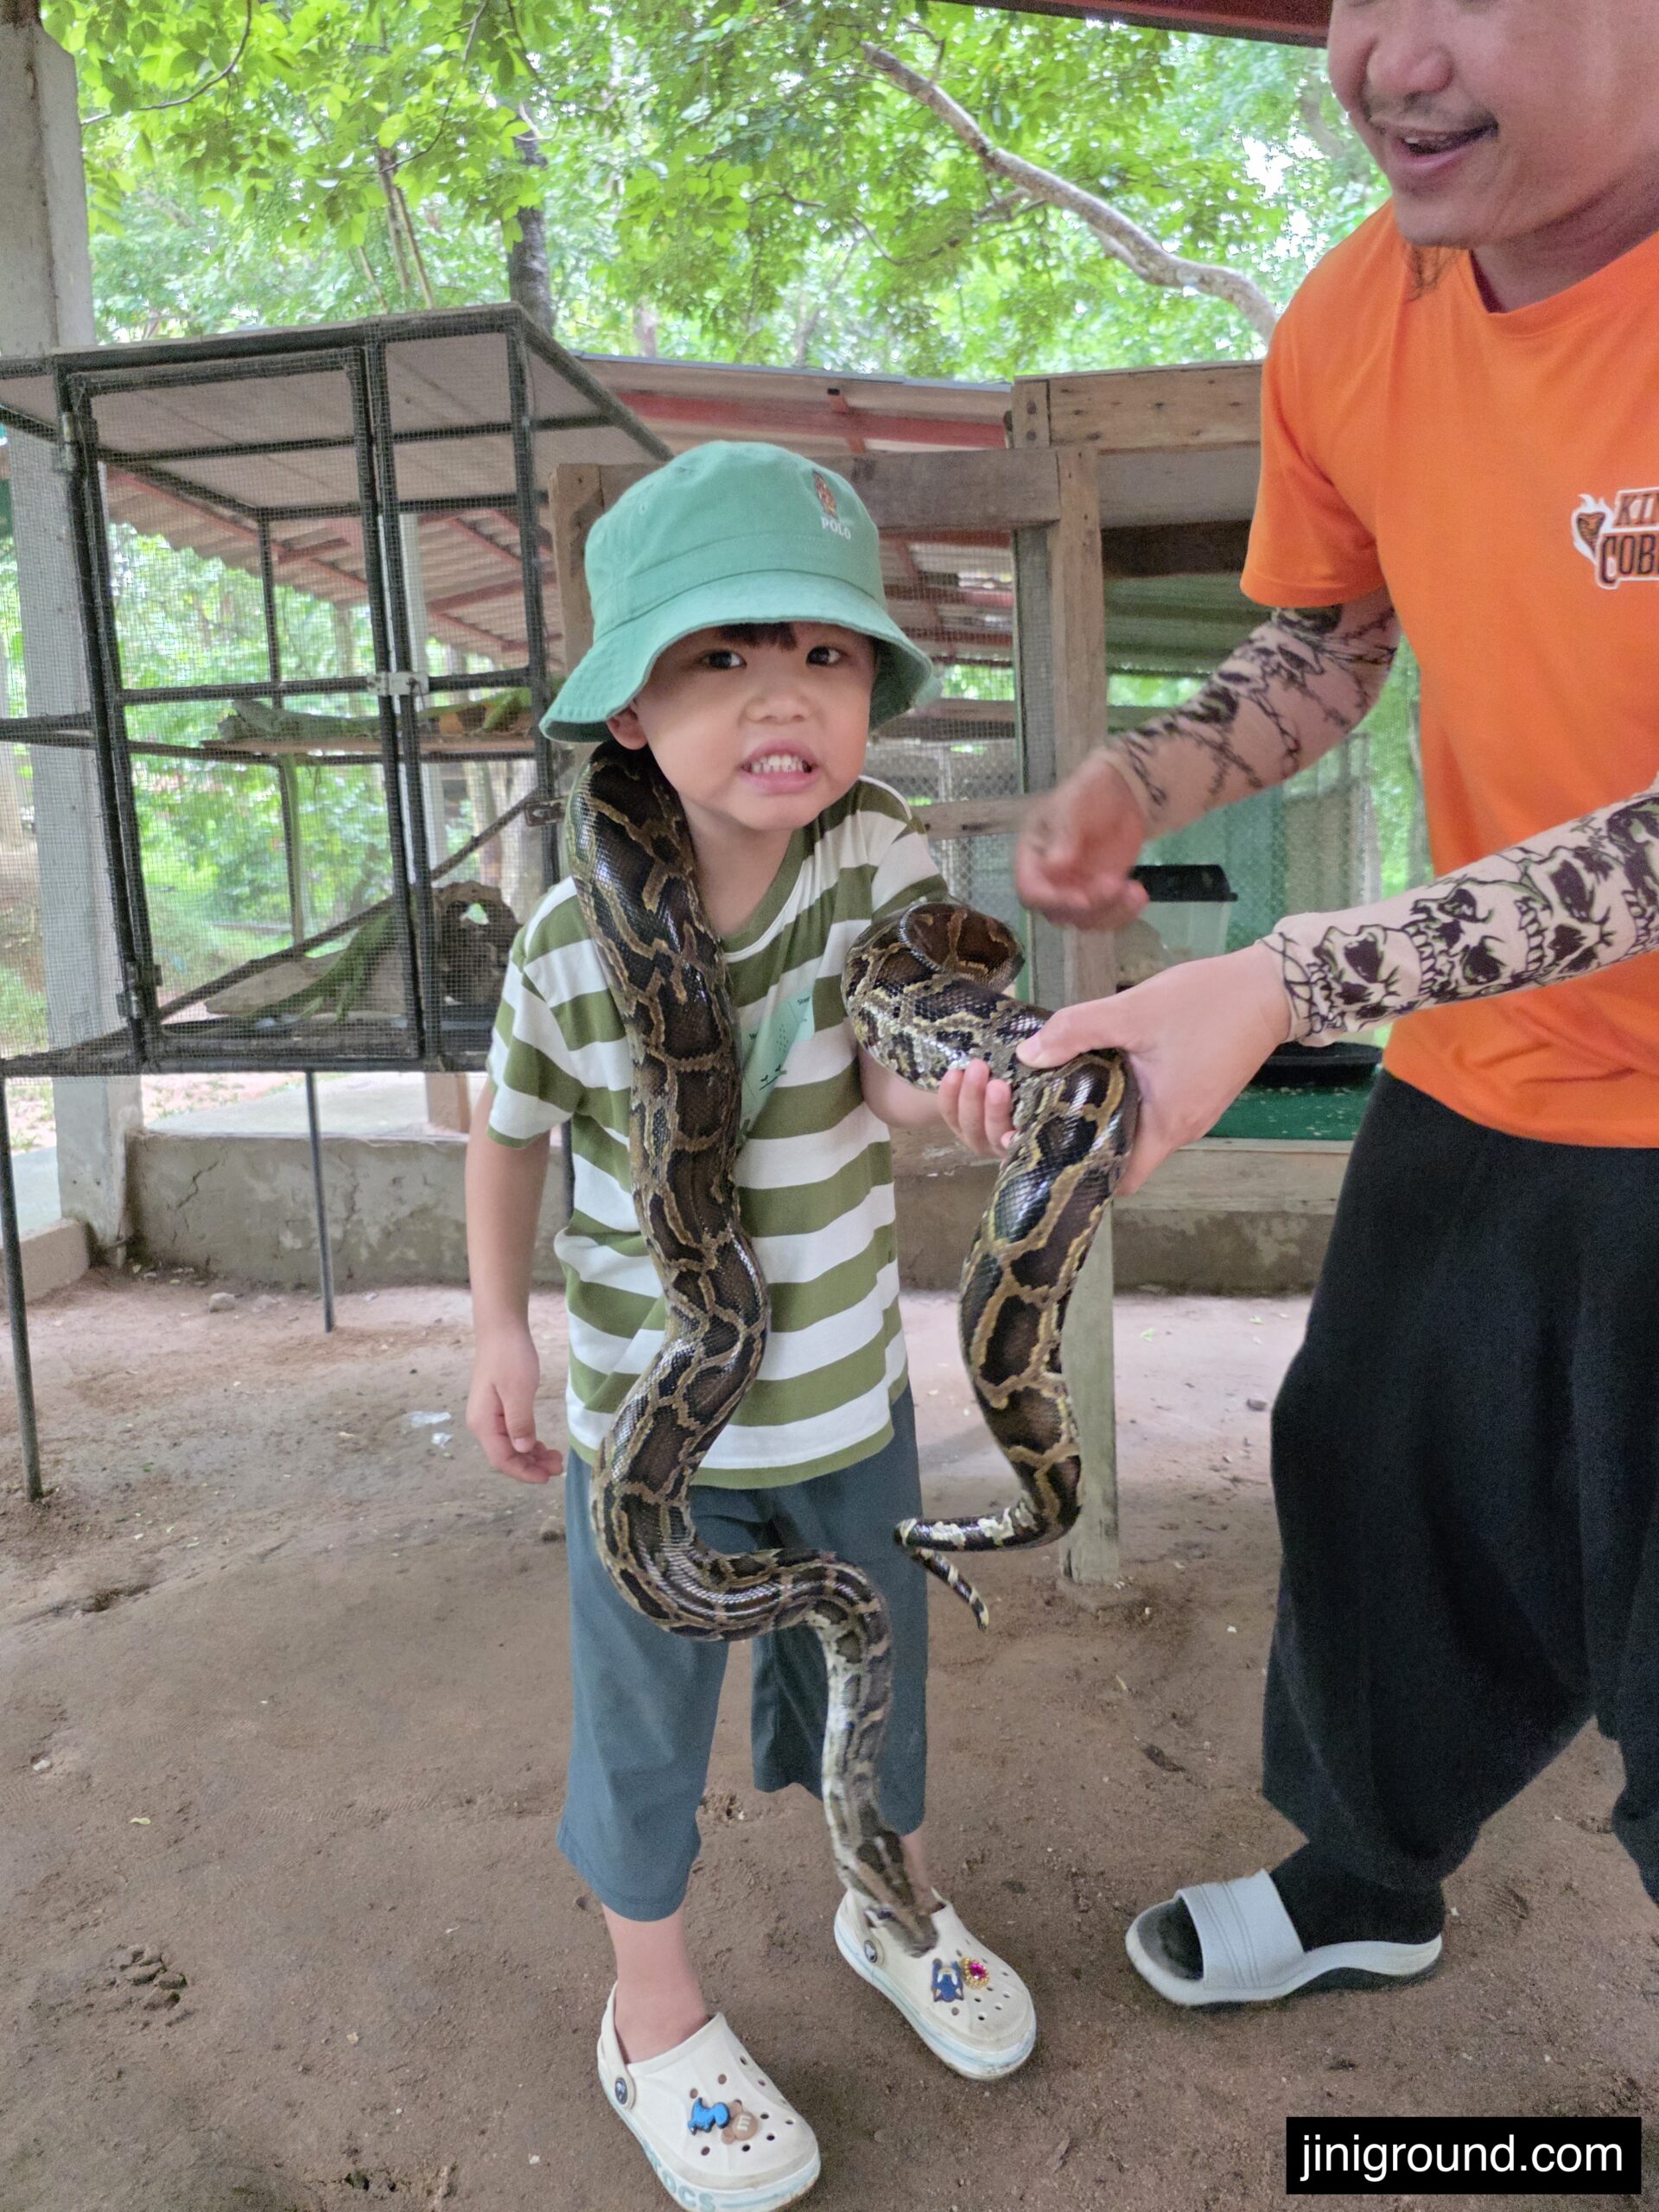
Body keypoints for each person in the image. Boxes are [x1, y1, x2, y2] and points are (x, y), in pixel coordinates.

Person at [944, 0, 1659, 2007]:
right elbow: (1333, 635)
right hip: (1487, 1080)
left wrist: (1288, 973)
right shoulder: (1357, 317)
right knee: (1371, 1498)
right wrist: (1148, 773)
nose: (1381, 54)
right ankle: (1365, 1874)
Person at [464, 441, 1034, 2209]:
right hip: (656, 1441)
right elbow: (510, 1133)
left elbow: (885, 1058)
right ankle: (652, 2010)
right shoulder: (570, 937)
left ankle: (892, 1901)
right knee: (648, 1724)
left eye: (830, 652)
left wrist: (953, 1088)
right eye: (723, 655)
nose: (786, 691)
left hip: (848, 1409)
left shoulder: (877, 859)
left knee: (885, 1684)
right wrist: (497, 1323)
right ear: (628, 712)